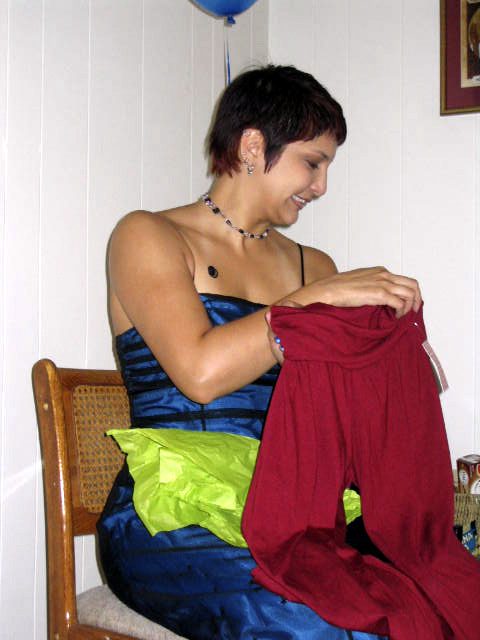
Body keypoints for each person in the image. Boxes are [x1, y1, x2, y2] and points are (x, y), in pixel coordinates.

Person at [97, 64, 421, 640]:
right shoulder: (147, 235)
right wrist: (311, 304)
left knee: (429, 589)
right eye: (312, 163)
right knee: (332, 625)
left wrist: (387, 355)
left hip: (291, 504)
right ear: (252, 147)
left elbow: (336, 409)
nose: (322, 186)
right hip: (172, 511)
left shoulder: (312, 266)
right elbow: (200, 373)